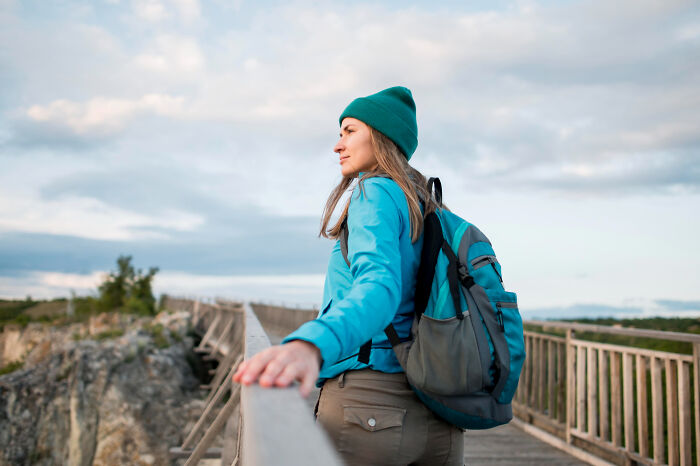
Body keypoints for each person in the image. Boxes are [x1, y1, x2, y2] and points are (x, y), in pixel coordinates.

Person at [233, 86, 464, 465]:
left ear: (381, 135)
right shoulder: (426, 203)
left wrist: (311, 344)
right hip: (438, 413)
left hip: (370, 407)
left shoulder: (374, 194)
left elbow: (379, 287)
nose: (338, 145)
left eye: (349, 130)